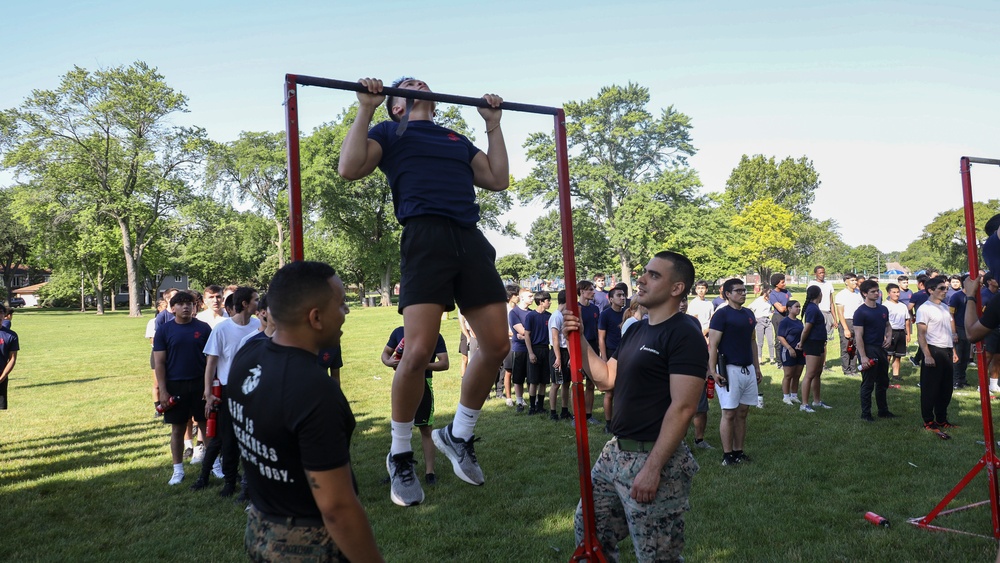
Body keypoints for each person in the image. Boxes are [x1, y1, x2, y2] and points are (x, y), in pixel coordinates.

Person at [339, 77, 511, 504]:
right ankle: (399, 454)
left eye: (424, 82)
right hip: (424, 239)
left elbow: (497, 179)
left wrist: (492, 125)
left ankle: (459, 435)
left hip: (469, 238)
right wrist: (365, 107)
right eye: (408, 85)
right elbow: (349, 168)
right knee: (415, 352)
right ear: (396, 105)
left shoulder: (455, 137)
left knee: (497, 346)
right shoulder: (389, 132)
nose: (419, 84)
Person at [227, 261, 383, 562]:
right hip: (307, 546)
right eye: (341, 305)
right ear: (316, 317)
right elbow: (337, 508)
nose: (346, 313)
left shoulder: (247, 356)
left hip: (259, 531)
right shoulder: (315, 392)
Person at [564, 251, 707, 562]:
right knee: (591, 537)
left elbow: (683, 407)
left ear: (676, 288)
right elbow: (605, 380)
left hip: (655, 457)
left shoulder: (684, 332)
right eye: (644, 272)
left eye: (654, 275)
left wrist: (653, 468)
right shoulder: (636, 330)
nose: (641, 279)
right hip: (615, 454)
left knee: (657, 555)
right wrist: (580, 340)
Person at [191, 287, 261, 496]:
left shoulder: (258, 325)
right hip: (229, 389)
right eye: (256, 300)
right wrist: (208, 393)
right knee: (228, 438)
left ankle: (252, 480)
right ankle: (230, 482)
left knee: (251, 436)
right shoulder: (222, 329)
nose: (259, 303)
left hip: (253, 388)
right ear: (245, 304)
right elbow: (211, 363)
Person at [152, 291, 212, 486]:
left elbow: (211, 359)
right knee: (178, 428)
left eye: (190, 304)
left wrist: (208, 386)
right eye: (181, 304)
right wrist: (163, 390)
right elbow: (159, 363)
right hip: (175, 385)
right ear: (173, 308)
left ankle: (214, 465)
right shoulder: (164, 330)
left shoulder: (204, 329)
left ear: (195, 307)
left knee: (206, 426)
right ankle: (178, 470)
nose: (186, 307)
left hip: (199, 384)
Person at [381, 325, 448, 491]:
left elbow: (444, 363)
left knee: (425, 429)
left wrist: (421, 365)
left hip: (424, 384)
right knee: (399, 429)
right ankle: (397, 469)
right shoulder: (398, 332)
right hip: (402, 383)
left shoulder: (433, 334)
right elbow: (385, 353)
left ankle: (429, 472)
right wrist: (389, 361)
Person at [708, 278, 761, 466]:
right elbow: (712, 345)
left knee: (743, 412)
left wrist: (757, 367)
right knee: (729, 413)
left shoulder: (749, 314)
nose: (743, 293)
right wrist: (713, 372)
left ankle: (739, 451)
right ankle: (727, 455)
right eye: (738, 291)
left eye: (744, 290)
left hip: (748, 369)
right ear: (727, 294)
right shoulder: (721, 315)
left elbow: (752, 342)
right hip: (729, 369)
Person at [916, 276, 959, 434]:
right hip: (933, 350)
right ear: (930, 290)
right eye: (941, 288)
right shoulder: (924, 309)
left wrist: (953, 351)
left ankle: (941, 419)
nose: (945, 291)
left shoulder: (944, 307)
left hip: (946, 350)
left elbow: (948, 331)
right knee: (930, 389)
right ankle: (928, 421)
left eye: (946, 288)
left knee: (946, 389)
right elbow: (921, 335)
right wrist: (927, 355)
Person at [853, 280, 895, 422]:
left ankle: (883, 411)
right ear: (864, 293)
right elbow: (858, 336)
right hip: (868, 348)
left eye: (877, 291)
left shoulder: (883, 309)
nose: (877, 293)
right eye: (873, 291)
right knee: (868, 382)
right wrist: (863, 356)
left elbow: (888, 326)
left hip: (881, 348)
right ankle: (866, 414)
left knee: (883, 381)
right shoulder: (860, 312)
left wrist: (889, 337)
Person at [797, 286, 831, 412]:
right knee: (810, 374)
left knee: (817, 373)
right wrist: (801, 342)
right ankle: (804, 404)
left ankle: (817, 401)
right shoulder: (812, 309)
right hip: (812, 343)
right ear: (819, 294)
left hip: (820, 343)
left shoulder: (815, 308)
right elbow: (807, 328)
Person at [598, 287, 626, 430]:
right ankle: (609, 424)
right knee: (610, 391)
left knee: (624, 389)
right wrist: (604, 357)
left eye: (623, 295)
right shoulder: (605, 315)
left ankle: (621, 420)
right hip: (611, 353)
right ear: (611, 299)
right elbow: (601, 338)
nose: (623, 298)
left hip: (626, 353)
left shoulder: (627, 314)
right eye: (619, 295)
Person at [524, 291, 552, 415]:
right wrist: (530, 353)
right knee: (533, 380)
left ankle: (540, 405)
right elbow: (527, 335)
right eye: (548, 300)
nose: (550, 302)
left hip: (546, 349)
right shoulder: (531, 316)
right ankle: (532, 406)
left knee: (544, 380)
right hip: (535, 349)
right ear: (541, 302)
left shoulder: (549, 316)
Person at [578, 280, 601, 424]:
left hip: (593, 346)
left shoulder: (595, 309)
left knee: (591, 383)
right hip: (580, 347)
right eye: (590, 290)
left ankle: (588, 414)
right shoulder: (575, 308)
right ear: (582, 291)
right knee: (577, 382)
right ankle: (576, 415)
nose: (593, 292)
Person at [547, 290, 572, 421]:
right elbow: (555, 338)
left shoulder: (563, 316)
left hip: (565, 352)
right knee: (556, 383)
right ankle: (553, 412)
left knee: (566, 382)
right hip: (557, 352)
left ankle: (564, 410)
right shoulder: (556, 316)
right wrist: (558, 357)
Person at [776, 300, 804, 405]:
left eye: (799, 307)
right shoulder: (785, 322)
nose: (798, 309)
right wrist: (789, 348)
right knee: (788, 374)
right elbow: (780, 336)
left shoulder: (799, 322)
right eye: (796, 307)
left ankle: (794, 395)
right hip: (788, 351)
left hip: (800, 351)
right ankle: (786, 396)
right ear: (789, 309)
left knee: (797, 374)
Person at [835, 273, 863, 376]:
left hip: (857, 322)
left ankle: (853, 368)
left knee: (856, 346)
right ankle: (846, 370)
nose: (855, 282)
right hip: (847, 321)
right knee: (846, 347)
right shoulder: (841, 295)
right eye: (852, 280)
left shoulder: (858, 293)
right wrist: (846, 328)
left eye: (855, 280)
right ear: (846, 282)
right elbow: (840, 313)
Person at [883, 283, 912, 381]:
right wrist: (884, 335)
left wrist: (908, 333)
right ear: (888, 293)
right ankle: (883, 375)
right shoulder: (885, 306)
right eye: (894, 292)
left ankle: (896, 375)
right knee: (888, 355)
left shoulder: (903, 306)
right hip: (890, 332)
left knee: (898, 356)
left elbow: (907, 320)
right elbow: (883, 322)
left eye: (898, 292)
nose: (896, 294)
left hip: (901, 332)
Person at [948, 275, 971, 389]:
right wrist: (954, 332)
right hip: (959, 328)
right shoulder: (957, 297)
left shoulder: (974, 296)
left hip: (969, 330)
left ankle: (962, 379)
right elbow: (951, 314)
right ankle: (955, 380)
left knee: (966, 356)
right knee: (958, 356)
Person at [748, 287, 775, 365]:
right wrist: (754, 318)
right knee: (760, 342)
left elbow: (768, 310)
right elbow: (749, 308)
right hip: (759, 321)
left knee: (770, 341)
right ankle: (759, 359)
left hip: (768, 320)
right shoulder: (759, 300)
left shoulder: (769, 301)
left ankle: (772, 359)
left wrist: (771, 312)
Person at [768, 273, 791, 363]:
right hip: (778, 317)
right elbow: (780, 309)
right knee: (779, 339)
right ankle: (779, 361)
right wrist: (788, 306)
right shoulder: (773, 295)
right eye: (782, 282)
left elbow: (793, 304)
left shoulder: (787, 292)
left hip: (788, 316)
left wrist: (787, 306)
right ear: (777, 284)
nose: (784, 284)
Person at [0, 303, 19, 411]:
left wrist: (2, 378)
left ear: (4, 315)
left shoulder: (11, 335)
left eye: (1, 312)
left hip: (1, 378)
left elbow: (12, 359)